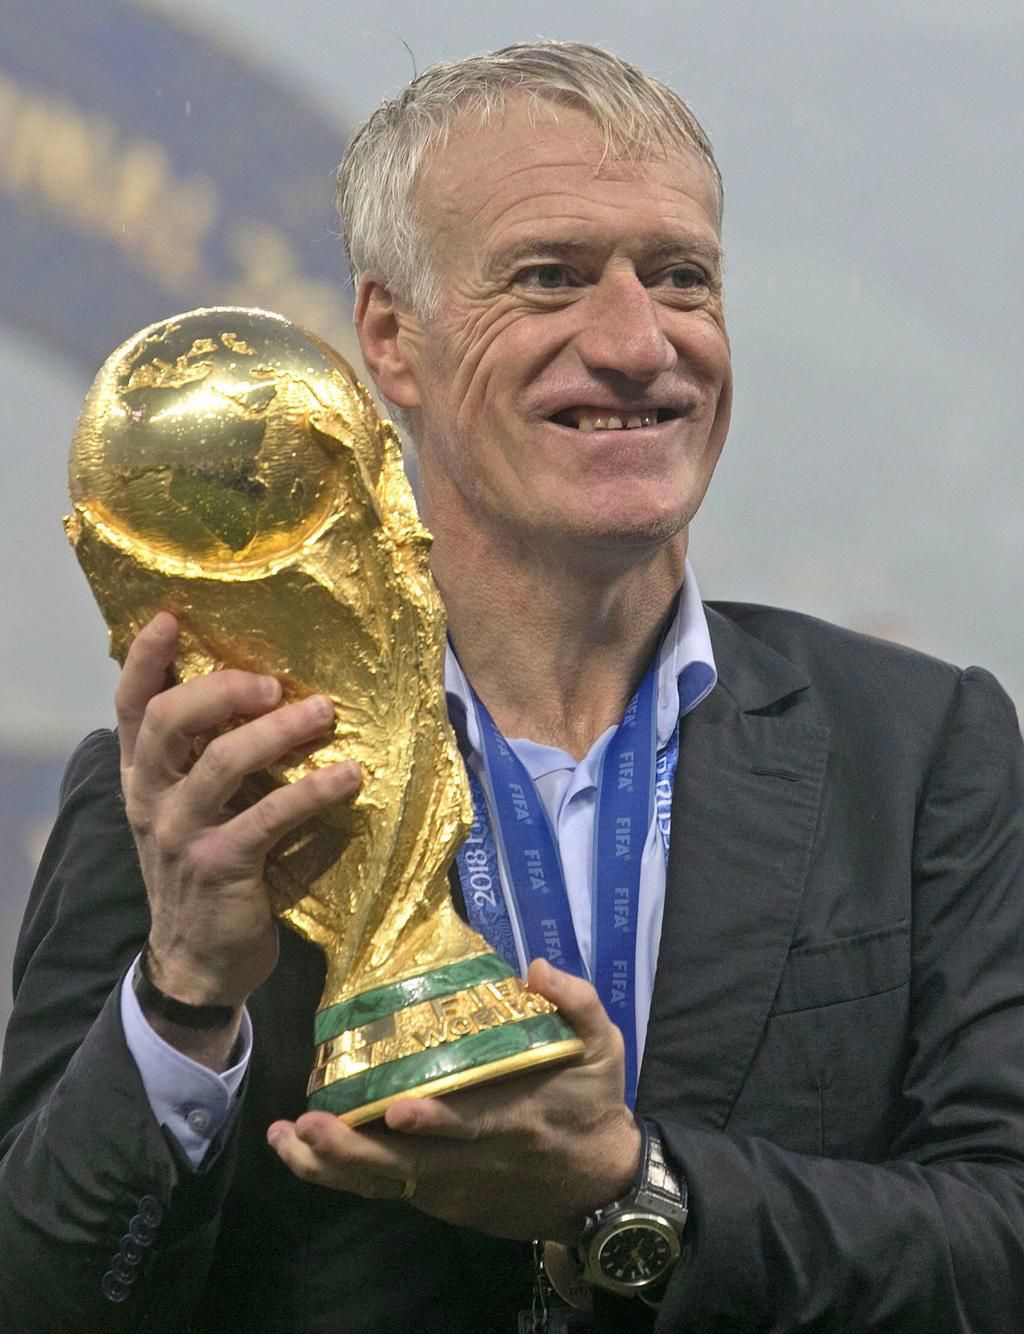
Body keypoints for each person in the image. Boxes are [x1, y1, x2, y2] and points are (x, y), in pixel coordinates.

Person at [1, 40, 1022, 1334]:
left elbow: (1002, 1242)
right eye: (550, 277)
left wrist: (627, 1189)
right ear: (393, 339)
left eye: (682, 276)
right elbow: (39, 1297)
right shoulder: (214, 785)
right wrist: (185, 997)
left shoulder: (920, 753)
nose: (638, 341)